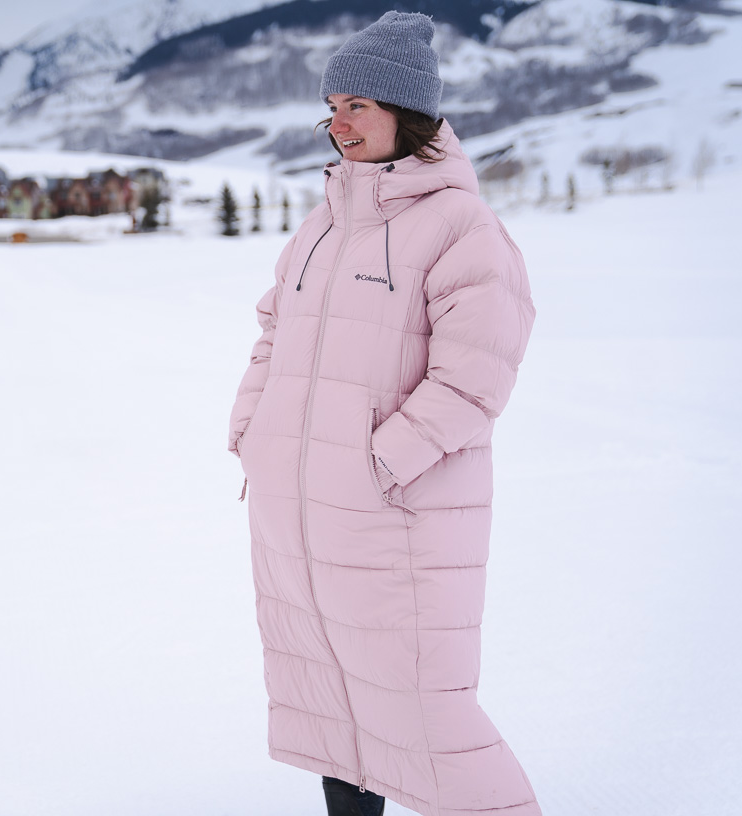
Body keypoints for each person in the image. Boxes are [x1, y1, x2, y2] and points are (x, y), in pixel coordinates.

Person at [227, 11, 542, 816]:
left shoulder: (462, 227)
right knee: (332, 695)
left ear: (409, 111)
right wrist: (254, 432)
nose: (337, 124)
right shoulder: (324, 225)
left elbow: (475, 379)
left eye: (357, 105)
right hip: (296, 512)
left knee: (423, 709)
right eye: (331, 105)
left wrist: (380, 462)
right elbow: (274, 331)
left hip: (393, 514)